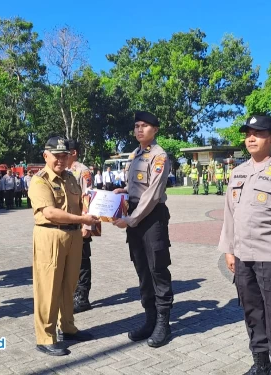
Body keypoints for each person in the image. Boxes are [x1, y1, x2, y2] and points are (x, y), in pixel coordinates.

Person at [218, 115, 271, 375]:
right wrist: (229, 249)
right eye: (248, 134)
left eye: (258, 133)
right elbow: (229, 215)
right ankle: (260, 362)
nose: (251, 138)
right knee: (252, 310)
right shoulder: (238, 171)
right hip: (243, 256)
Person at [29, 136, 99, 356]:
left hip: (73, 237)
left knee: (69, 286)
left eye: (65, 155)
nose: (61, 160)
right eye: (57, 156)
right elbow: (49, 213)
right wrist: (81, 220)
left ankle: (67, 327)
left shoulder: (70, 178)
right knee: (48, 288)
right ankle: (45, 337)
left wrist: (106, 201)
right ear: (46, 156)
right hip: (51, 236)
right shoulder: (40, 180)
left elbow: (81, 204)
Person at [113, 111, 174, 348]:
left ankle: (163, 324)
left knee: (157, 269)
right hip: (136, 216)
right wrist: (124, 193)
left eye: (145, 126)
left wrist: (131, 220)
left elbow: (152, 194)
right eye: (137, 126)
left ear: (155, 129)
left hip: (151, 218)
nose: (139, 130)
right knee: (142, 270)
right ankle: (149, 319)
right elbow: (137, 189)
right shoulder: (135, 154)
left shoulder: (159, 156)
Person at [66, 140, 95, 313]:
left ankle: (82, 297)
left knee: (82, 261)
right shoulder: (64, 171)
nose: (62, 155)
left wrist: (86, 225)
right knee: (71, 260)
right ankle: (73, 293)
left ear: (74, 152)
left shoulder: (82, 171)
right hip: (67, 222)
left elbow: (88, 198)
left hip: (80, 222)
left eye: (66, 152)